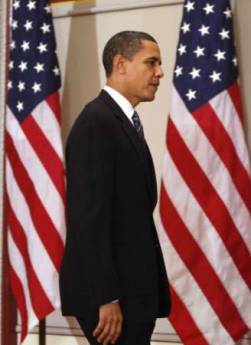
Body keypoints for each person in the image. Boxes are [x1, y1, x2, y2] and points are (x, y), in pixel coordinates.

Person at [59, 30, 171, 345]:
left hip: (133, 293)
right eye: (151, 62)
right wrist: (105, 297)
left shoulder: (120, 121)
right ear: (120, 64)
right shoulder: (97, 123)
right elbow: (88, 218)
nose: (160, 72)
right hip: (112, 300)